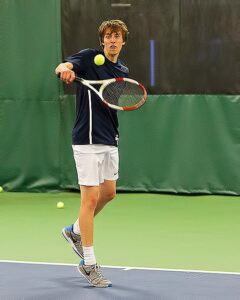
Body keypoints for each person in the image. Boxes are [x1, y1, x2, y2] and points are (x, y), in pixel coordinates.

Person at [55, 20, 129, 288]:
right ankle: (88, 264)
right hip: (86, 140)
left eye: (116, 36)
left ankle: (74, 231)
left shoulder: (122, 70)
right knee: (90, 198)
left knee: (109, 193)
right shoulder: (88, 58)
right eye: (108, 36)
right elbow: (63, 66)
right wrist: (65, 70)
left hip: (109, 138)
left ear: (123, 42)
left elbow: (110, 103)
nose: (112, 40)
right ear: (102, 41)